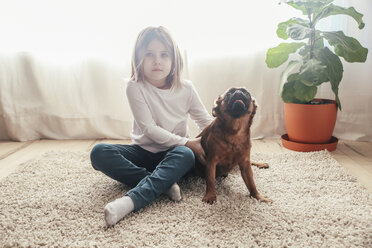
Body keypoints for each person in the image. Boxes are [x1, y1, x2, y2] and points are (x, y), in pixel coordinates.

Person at [90, 26, 213, 226]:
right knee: (99, 152)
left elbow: (205, 122)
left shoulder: (186, 88)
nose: (157, 61)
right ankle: (162, 183)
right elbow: (149, 129)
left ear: (174, 60)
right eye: (149, 54)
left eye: (164, 55)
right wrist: (187, 141)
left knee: (186, 155)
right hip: (142, 152)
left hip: (174, 154)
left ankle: (129, 202)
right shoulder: (134, 86)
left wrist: (229, 136)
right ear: (139, 58)